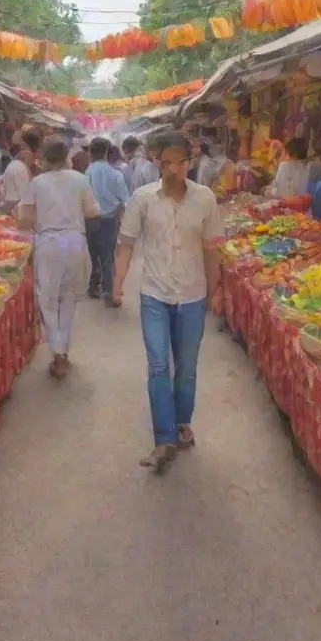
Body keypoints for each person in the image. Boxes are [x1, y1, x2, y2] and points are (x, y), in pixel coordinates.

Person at [113, 132, 225, 473]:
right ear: (157, 163)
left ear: (189, 163)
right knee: (159, 365)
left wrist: (216, 290)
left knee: (187, 368)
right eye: (166, 162)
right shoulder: (142, 198)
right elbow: (126, 243)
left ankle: (181, 423)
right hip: (155, 295)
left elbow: (212, 248)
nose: (173, 169)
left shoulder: (205, 199)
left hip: (192, 294)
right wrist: (117, 285)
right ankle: (163, 438)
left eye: (180, 162)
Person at [18, 140, 100, 380]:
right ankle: (63, 352)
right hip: (74, 242)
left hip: (49, 243)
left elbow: (24, 219)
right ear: (67, 158)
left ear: (42, 160)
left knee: (49, 300)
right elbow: (93, 212)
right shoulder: (80, 179)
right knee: (69, 299)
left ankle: (57, 353)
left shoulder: (37, 183)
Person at [84, 138, 129, 305]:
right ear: (106, 152)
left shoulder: (86, 174)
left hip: (90, 219)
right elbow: (126, 200)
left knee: (92, 254)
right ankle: (109, 292)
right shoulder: (116, 173)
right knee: (107, 257)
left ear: (90, 152)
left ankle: (93, 285)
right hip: (110, 220)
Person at [1, 129, 39, 216]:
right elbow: (24, 200)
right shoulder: (20, 167)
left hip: (13, 212)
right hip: (16, 215)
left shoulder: (17, 165)